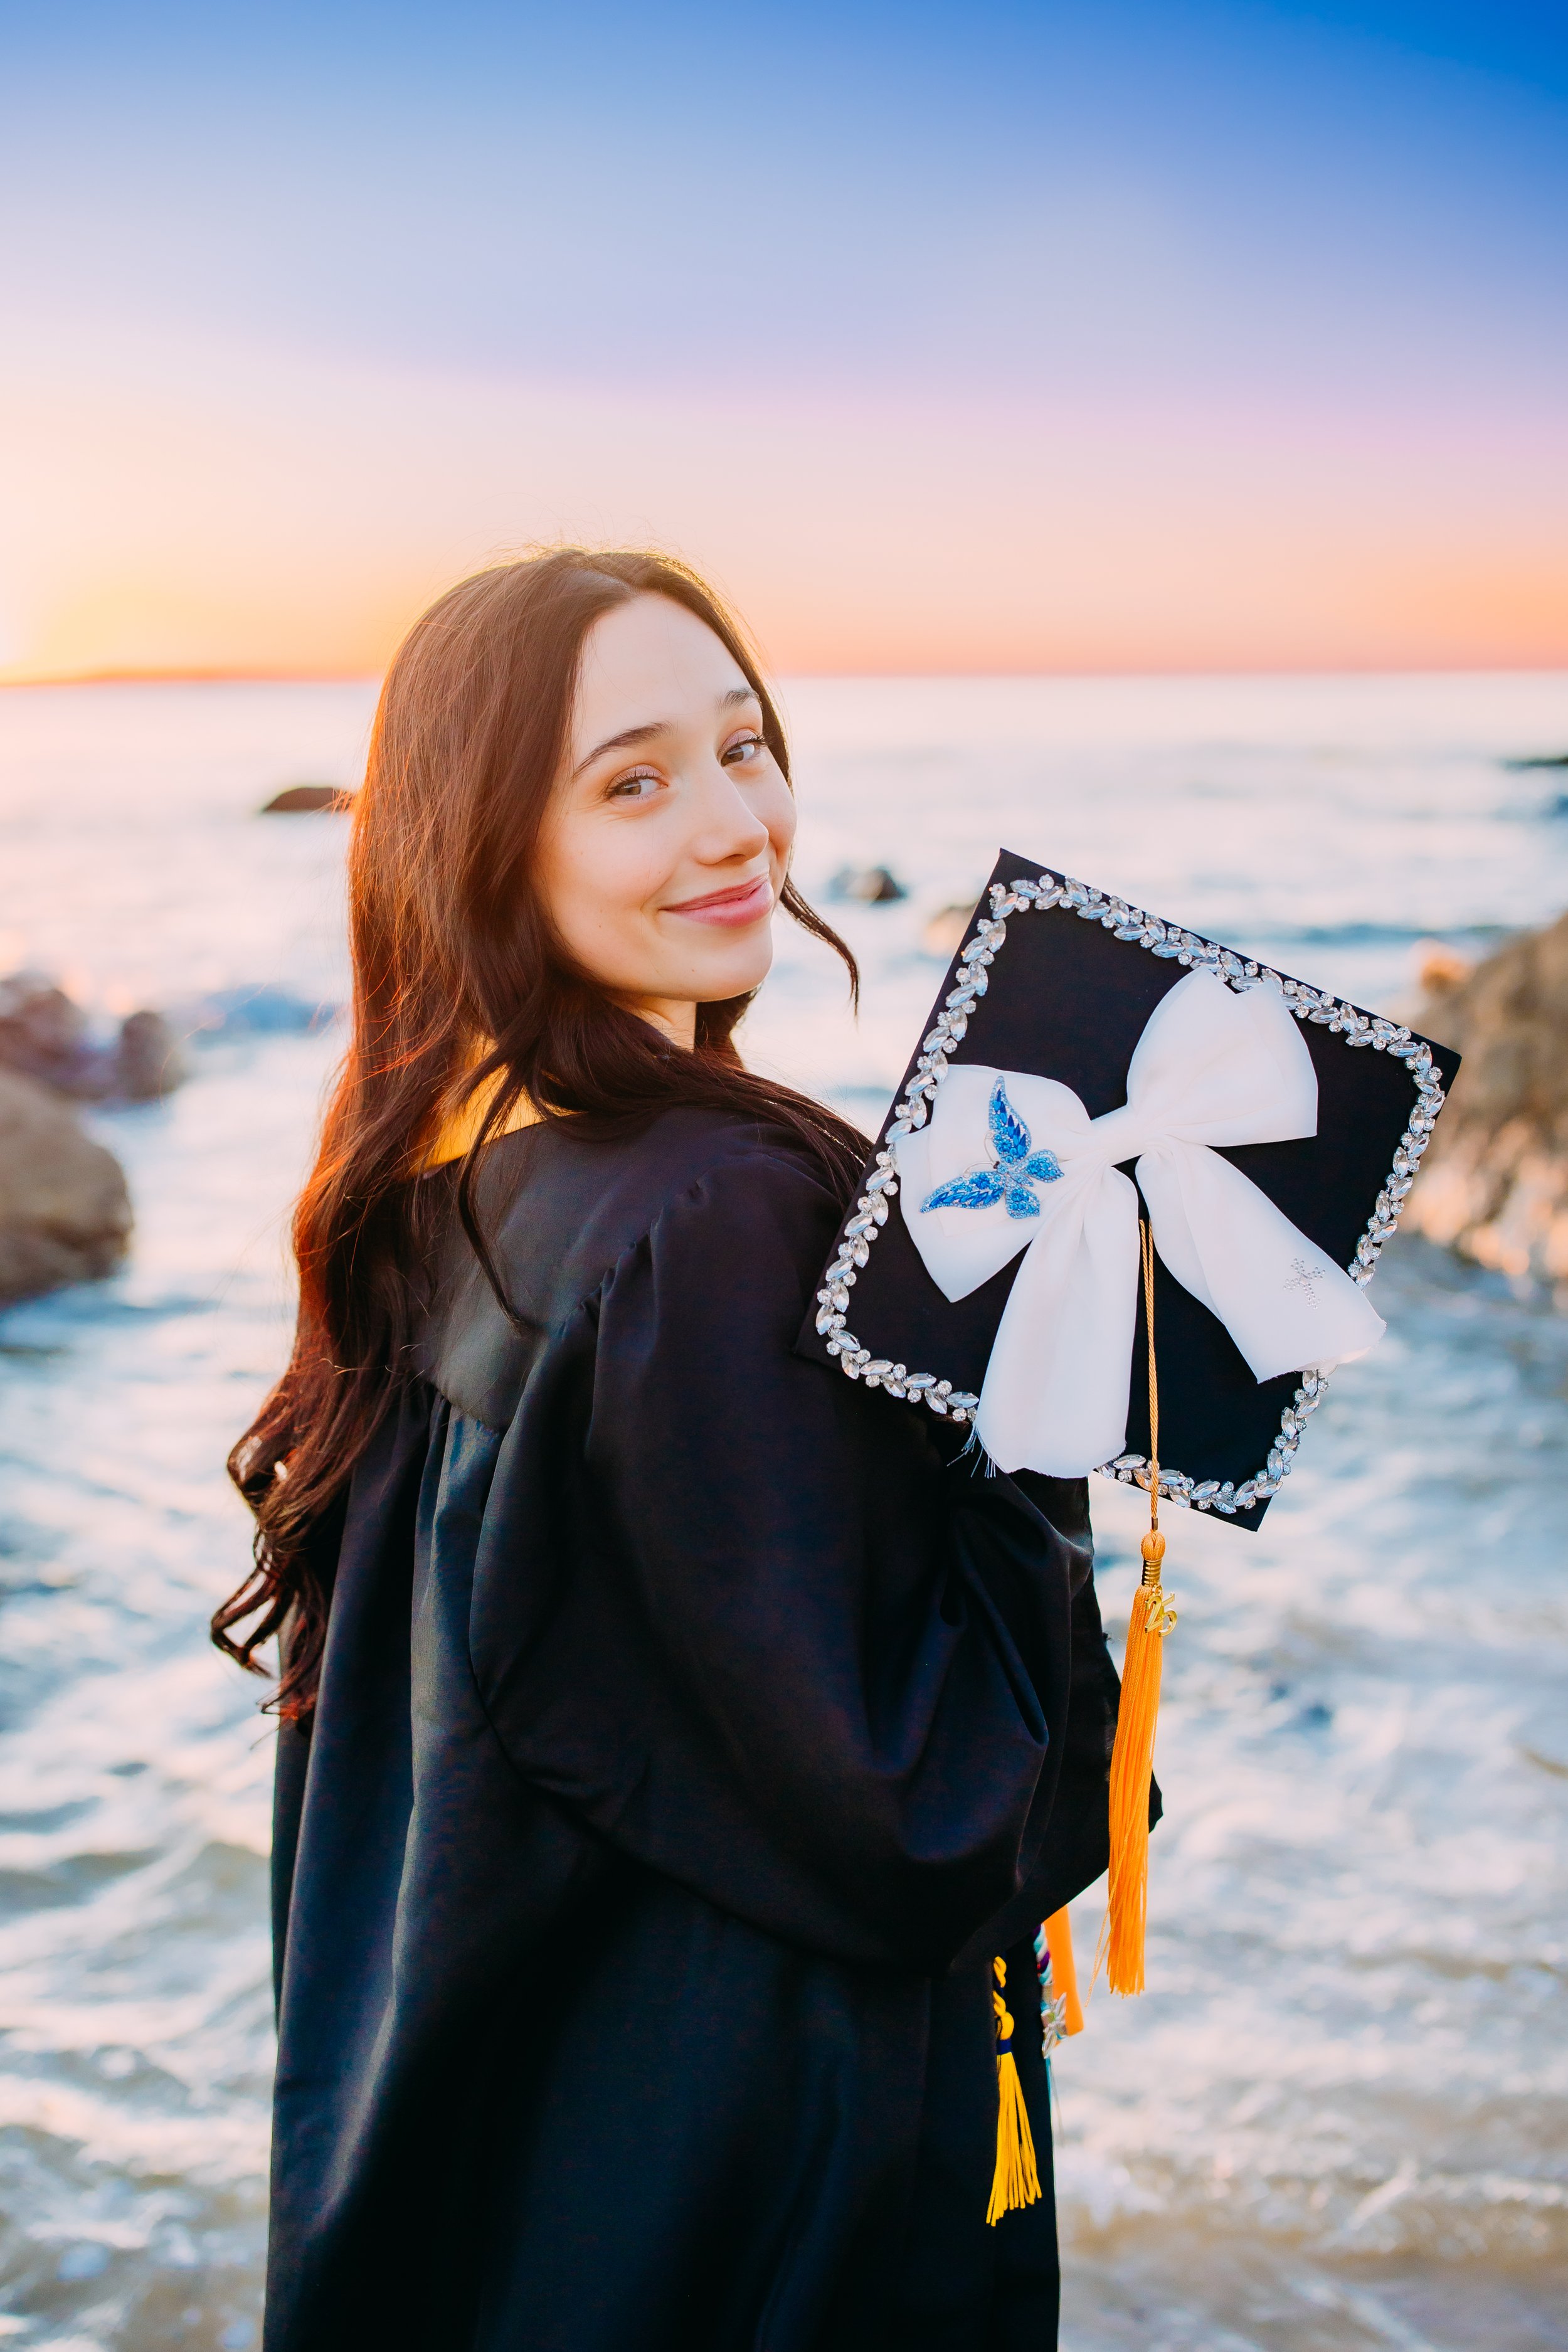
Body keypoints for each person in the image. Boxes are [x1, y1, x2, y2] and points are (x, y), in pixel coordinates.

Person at [215, 548, 1125, 2352]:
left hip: (514, 2165)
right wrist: (1040, 1416)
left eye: (743, 748)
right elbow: (915, 1813)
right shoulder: (716, 1209)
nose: (735, 828)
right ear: (483, 841)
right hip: (750, 2206)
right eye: (631, 782)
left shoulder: (433, 1183)